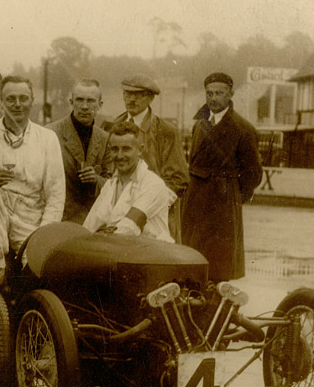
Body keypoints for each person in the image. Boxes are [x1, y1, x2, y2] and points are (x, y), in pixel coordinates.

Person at [0, 75, 65, 285]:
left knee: (36, 276)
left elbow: (56, 195)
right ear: (1, 101)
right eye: (11, 99)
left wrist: (42, 237)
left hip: (32, 217)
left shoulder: (47, 139)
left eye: (23, 98)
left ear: (32, 100)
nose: (17, 104)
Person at [183, 72, 262, 281]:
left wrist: (233, 195)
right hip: (194, 200)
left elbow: (253, 174)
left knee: (219, 264)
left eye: (219, 93)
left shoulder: (243, 129)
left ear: (231, 95)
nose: (213, 98)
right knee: (191, 259)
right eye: (209, 93)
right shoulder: (199, 124)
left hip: (223, 203)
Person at [108, 75, 188, 240]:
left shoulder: (165, 131)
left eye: (138, 95)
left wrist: (148, 206)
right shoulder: (111, 127)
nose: (131, 99)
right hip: (117, 213)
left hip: (154, 218)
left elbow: (178, 179)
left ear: (150, 98)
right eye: (127, 94)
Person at [83, 121, 176, 241]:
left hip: (152, 256)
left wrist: (99, 234)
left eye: (126, 149)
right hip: (120, 252)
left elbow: (128, 228)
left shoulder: (154, 184)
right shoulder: (109, 185)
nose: (120, 156)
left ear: (140, 150)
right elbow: (89, 227)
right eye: (115, 149)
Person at [47, 79, 111, 223]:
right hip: (60, 219)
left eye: (90, 101)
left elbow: (113, 183)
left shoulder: (105, 138)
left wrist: (96, 180)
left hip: (94, 220)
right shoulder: (50, 133)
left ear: (100, 105)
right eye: (79, 100)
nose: (84, 106)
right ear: (71, 103)